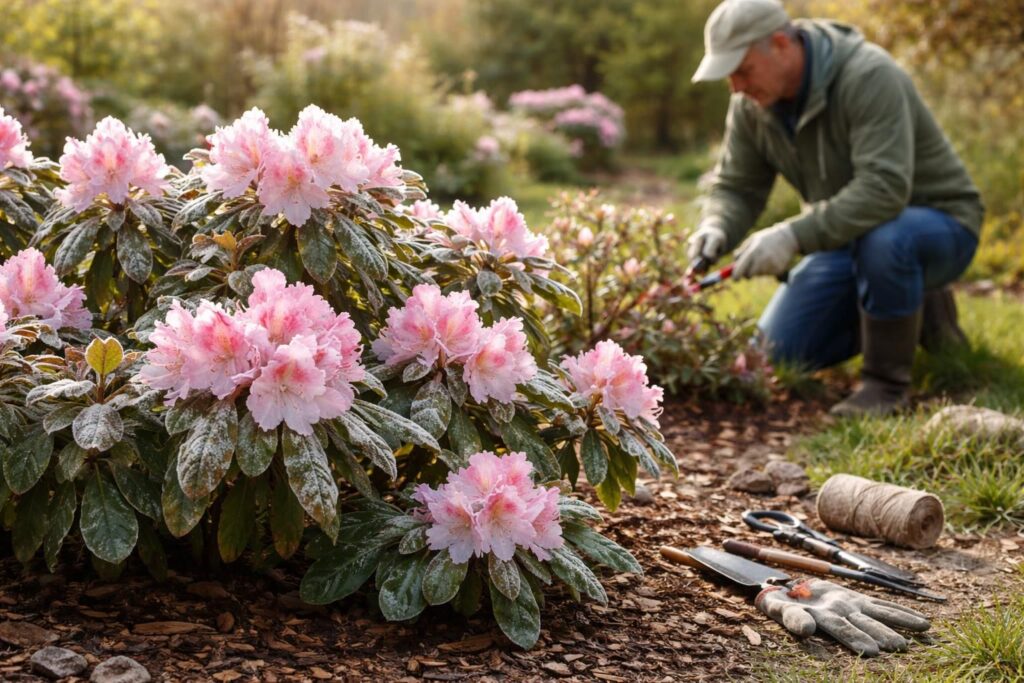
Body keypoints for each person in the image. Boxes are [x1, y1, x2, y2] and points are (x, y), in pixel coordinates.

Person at [687, 0, 983, 416]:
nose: (735, 86)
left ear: (780, 45)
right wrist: (717, 226)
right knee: (774, 357)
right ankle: (912, 304)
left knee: (888, 241)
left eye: (742, 69)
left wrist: (792, 235)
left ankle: (885, 386)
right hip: (848, 237)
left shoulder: (868, 76)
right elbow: (737, 187)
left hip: (937, 224)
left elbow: (884, 189)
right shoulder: (752, 105)